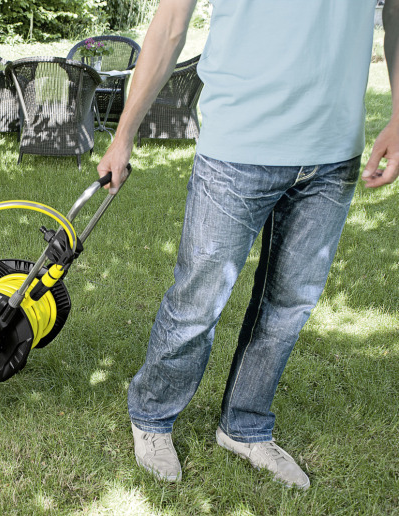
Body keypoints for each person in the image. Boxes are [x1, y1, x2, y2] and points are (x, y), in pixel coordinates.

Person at [98, 0, 399, 489]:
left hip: (333, 153)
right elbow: (170, 24)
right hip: (238, 149)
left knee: (289, 305)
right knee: (198, 300)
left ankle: (245, 426)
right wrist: (123, 134)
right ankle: (152, 416)